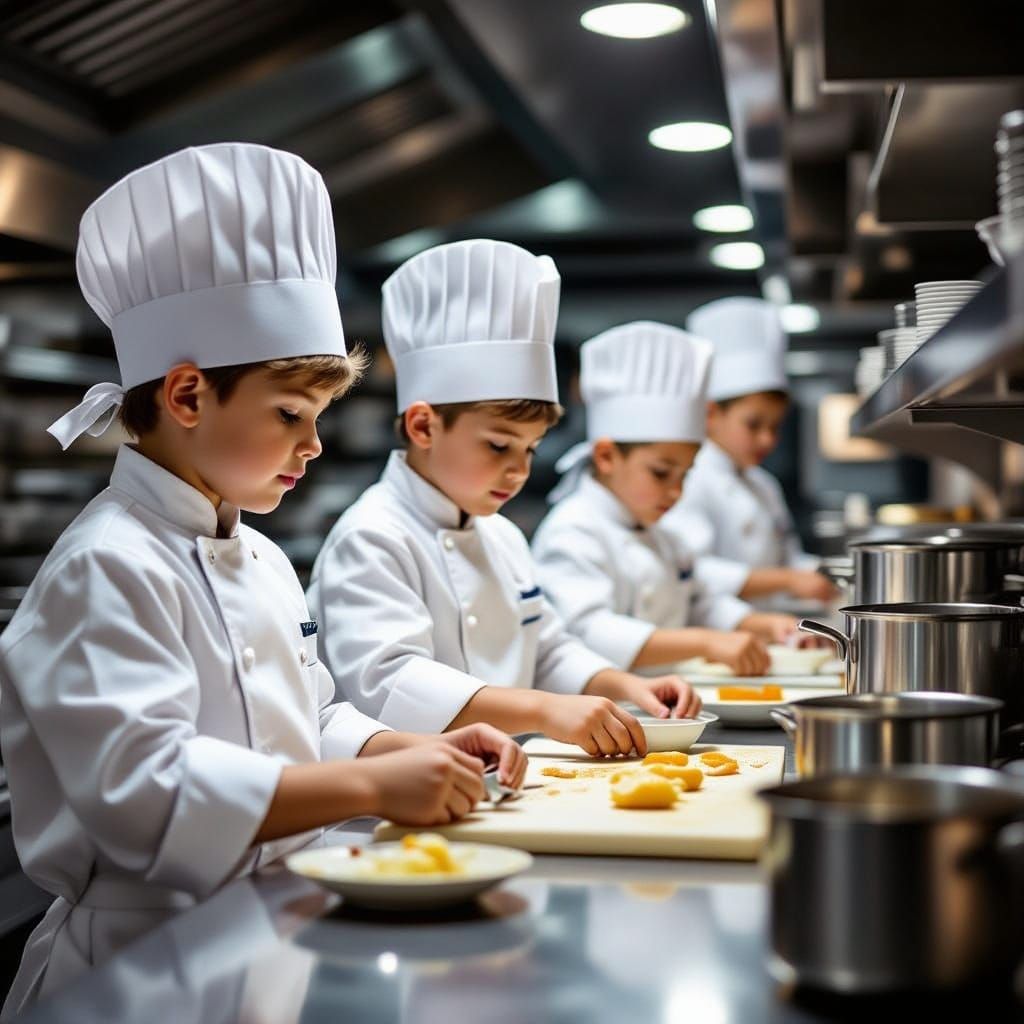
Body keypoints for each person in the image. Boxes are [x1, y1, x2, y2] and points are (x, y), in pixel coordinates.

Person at [0, 146, 524, 1018]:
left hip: (267, 933)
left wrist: (412, 750)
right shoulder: (107, 565)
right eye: (290, 416)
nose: (313, 447)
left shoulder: (262, 554)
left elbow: (305, 718)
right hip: (140, 972)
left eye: (316, 420)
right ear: (187, 395)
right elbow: (144, 796)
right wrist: (371, 790)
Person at [308, 240, 701, 760]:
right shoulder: (373, 535)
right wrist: (542, 710)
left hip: (505, 779)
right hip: (397, 802)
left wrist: (622, 686)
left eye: (530, 449)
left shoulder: (502, 534)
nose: (519, 470)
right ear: (424, 425)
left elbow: (548, 649)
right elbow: (391, 679)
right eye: (498, 445)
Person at [532, 321, 797, 678]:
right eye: (660, 473)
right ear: (607, 456)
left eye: (685, 475)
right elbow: (587, 630)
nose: (676, 492)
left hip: (662, 705)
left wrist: (762, 623)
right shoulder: (573, 529)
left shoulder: (664, 536)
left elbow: (701, 601)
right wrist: (704, 642)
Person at [661, 298, 837, 607]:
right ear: (711, 414)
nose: (767, 439)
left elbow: (788, 557)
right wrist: (789, 580)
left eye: (775, 426)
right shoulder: (687, 479)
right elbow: (691, 570)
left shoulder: (763, 484)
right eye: (753, 425)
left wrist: (832, 573)